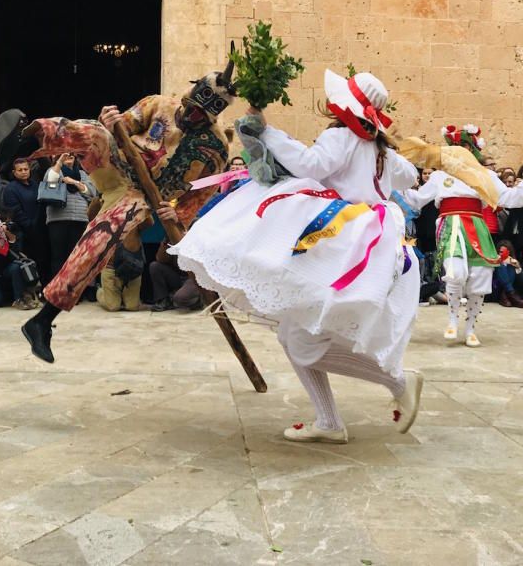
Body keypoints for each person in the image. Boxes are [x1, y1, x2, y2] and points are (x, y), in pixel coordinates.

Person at [174, 68, 424, 443]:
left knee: (303, 341)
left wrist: (268, 132)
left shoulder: (341, 135)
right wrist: (383, 151)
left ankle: (399, 381)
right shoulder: (379, 149)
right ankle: (328, 421)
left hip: (340, 241)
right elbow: (409, 176)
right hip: (365, 242)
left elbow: (311, 166)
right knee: (294, 335)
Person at [19, 59, 235, 364]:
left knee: (101, 240)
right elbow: (125, 126)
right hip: (117, 162)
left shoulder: (216, 149)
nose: (193, 114)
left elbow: (197, 197)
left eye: (202, 113)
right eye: (192, 106)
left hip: (141, 196)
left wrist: (179, 214)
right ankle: (24, 137)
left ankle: (41, 321)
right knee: (93, 132)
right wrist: (111, 122)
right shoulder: (158, 104)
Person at [403, 125, 523, 347]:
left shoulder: (486, 175)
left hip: (477, 227)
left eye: (464, 146)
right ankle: (452, 320)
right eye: (455, 146)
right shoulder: (439, 176)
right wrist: (391, 182)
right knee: (455, 274)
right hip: (450, 225)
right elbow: (417, 200)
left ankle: (470, 328)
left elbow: (509, 198)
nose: (459, 150)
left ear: (473, 148)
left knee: (479, 278)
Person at [43, 154, 97, 280]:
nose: (69, 156)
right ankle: (57, 292)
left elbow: (91, 193)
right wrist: (59, 162)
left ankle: (73, 290)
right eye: (65, 154)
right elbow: (50, 182)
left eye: (71, 154)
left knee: (76, 256)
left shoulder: (82, 174)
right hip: (58, 219)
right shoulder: (54, 170)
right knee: (59, 256)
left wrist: (73, 182)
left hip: (80, 219)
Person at [1, 157, 47, 283]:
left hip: (40, 230)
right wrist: (31, 226)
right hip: (24, 233)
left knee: (43, 262)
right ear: (14, 172)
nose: (23, 172)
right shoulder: (11, 188)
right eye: (20, 170)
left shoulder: (35, 185)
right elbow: (15, 212)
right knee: (28, 265)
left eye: (26, 169)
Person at [96, 226, 145, 312]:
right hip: (111, 269)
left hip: (132, 269)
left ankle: (123, 297)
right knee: (113, 307)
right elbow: (90, 216)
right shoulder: (107, 218)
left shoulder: (136, 218)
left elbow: (149, 223)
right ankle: (100, 292)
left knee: (132, 307)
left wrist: (144, 212)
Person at [148, 242, 201, 312]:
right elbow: (160, 259)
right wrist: (165, 244)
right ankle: (164, 300)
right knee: (155, 266)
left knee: (179, 298)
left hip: (193, 277)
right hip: (178, 275)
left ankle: (198, 300)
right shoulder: (170, 237)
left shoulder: (196, 237)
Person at [492, 240, 523, 308]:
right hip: (496, 289)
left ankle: (506, 295)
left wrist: (518, 267)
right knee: (501, 265)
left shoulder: (512, 261)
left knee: (510, 267)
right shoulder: (494, 260)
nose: (502, 254)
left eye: (506, 252)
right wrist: (498, 262)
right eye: (501, 252)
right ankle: (510, 294)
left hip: (508, 292)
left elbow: (522, 281)